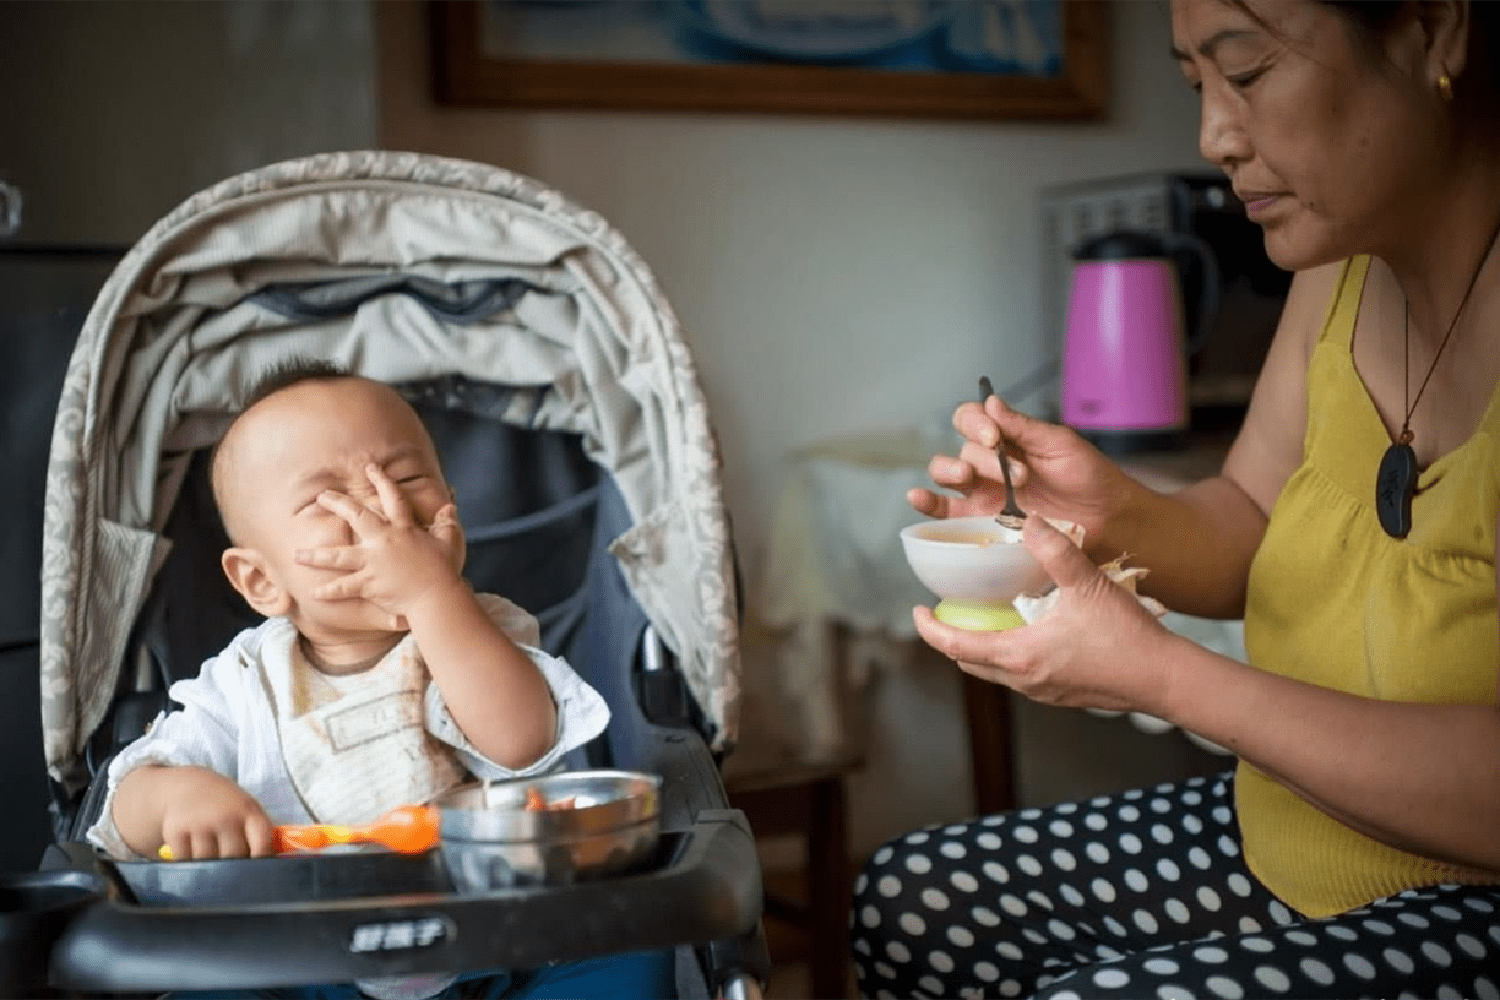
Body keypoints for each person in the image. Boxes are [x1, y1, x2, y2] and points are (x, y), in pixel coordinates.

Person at [851, 2, 1500, 998]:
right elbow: (1247, 518)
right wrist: (1104, 509)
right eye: (1198, 83)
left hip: (1466, 890)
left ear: (1436, 29)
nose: (1214, 137)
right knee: (909, 898)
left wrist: (1161, 675)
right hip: (1297, 824)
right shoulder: (1334, 275)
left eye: (1246, 72)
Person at [85, 360, 674, 1000]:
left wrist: (430, 596)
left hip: (495, 948)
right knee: (196, 986)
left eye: (404, 476)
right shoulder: (243, 684)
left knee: (637, 951)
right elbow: (126, 802)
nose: (378, 505)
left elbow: (521, 738)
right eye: (324, 499)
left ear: (452, 509)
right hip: (297, 965)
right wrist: (176, 800)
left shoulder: (476, 631)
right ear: (261, 581)